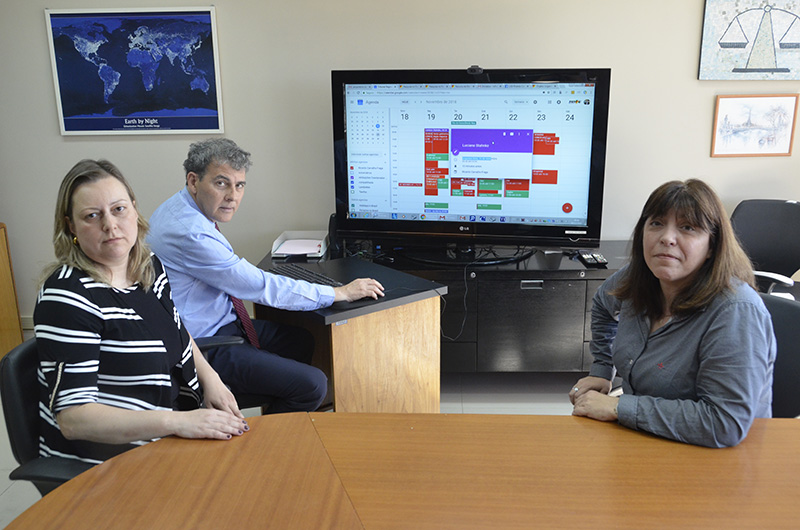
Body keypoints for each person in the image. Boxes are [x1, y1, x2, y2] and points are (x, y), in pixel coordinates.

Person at [35, 159, 248, 465]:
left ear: (134, 209)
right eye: (92, 216)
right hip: (113, 459)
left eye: (118, 209)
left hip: (172, 432)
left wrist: (210, 377)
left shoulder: (146, 265)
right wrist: (177, 422)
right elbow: (74, 419)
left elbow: (174, 327)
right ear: (71, 226)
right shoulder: (67, 297)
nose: (110, 225)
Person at [147, 138, 384, 413]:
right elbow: (257, 286)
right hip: (203, 345)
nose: (232, 196)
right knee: (313, 384)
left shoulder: (179, 207)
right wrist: (337, 293)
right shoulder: (189, 232)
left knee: (301, 341)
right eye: (221, 183)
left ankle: (277, 415)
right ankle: (268, 446)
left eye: (240, 185)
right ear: (193, 181)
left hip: (218, 322)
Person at [569, 179, 775, 448]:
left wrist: (619, 408)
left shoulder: (736, 310)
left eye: (687, 227)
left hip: (714, 457)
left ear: (712, 245)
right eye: (656, 223)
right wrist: (601, 369)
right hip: (642, 438)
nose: (666, 237)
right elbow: (602, 304)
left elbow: (724, 423)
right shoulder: (639, 276)